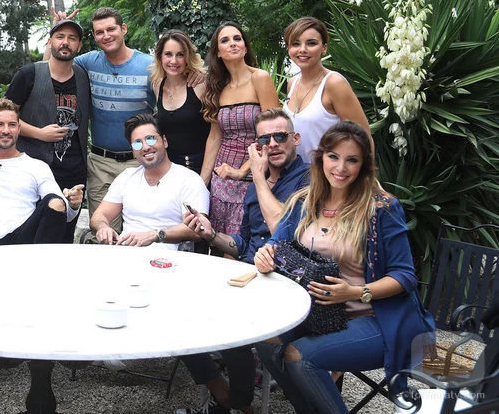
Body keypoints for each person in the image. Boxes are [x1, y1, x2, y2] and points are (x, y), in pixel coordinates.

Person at [253, 121, 434, 414]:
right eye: (334, 156)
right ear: (321, 157)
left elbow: (405, 276)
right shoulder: (305, 201)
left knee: (300, 357)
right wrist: (265, 255)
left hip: (375, 318)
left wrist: (355, 292)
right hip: (317, 314)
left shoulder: (381, 209)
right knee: (266, 340)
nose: (341, 168)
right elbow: (276, 242)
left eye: (352, 160)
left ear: (363, 166)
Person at [176, 109, 310, 414]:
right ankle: (226, 394)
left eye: (280, 136)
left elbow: (282, 229)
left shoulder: (309, 180)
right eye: (264, 139)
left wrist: (258, 177)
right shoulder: (256, 185)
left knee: (228, 323)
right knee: (177, 308)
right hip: (247, 275)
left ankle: (237, 402)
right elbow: (243, 244)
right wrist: (211, 234)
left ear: (296, 138)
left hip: (285, 279)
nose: (272, 144)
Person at [52, 7, 154, 233]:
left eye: (111, 29)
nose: (106, 36)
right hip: (101, 164)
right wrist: (57, 29)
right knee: (104, 233)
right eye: (99, 32)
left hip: (140, 161)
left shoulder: (150, 66)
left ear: (123, 29)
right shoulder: (89, 62)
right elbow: (52, 68)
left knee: (142, 231)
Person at [0, 98, 83, 245]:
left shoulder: (37, 167)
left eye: (11, 125)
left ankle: (41, 259)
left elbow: (60, 209)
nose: (6, 131)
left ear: (18, 128)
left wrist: (73, 204)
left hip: (21, 242)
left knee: (55, 200)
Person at [7, 18, 89, 242]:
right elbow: (4, 118)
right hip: (33, 169)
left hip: (74, 171)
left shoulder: (83, 76)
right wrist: (40, 133)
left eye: (72, 38)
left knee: (65, 238)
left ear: (79, 45)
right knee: (31, 236)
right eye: (60, 37)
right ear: (50, 42)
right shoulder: (28, 75)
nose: (66, 42)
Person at [200, 22, 280, 237]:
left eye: (237, 38)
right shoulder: (217, 87)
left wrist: (243, 171)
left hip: (254, 174)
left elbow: (272, 133)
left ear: (245, 47)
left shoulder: (260, 78)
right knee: (218, 240)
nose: (233, 43)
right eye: (225, 40)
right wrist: (202, 182)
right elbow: (215, 137)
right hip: (222, 177)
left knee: (244, 241)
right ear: (218, 52)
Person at [90, 113, 208, 249]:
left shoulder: (189, 180)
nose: (145, 147)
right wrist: (103, 227)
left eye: (151, 139)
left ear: (164, 141)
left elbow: (198, 230)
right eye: (137, 143)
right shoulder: (127, 177)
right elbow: (99, 216)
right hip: (125, 254)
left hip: (168, 258)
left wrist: (156, 235)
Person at [283, 17, 371, 162]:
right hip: (294, 172)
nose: (302, 49)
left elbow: (363, 136)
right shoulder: (292, 83)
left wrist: (367, 173)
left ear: (324, 48)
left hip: (327, 173)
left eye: (311, 43)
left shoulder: (334, 83)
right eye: (296, 44)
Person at [149, 29, 210, 174]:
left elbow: (215, 134)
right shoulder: (157, 85)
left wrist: (204, 178)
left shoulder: (200, 85)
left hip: (199, 166)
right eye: (168, 54)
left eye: (180, 55)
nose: (174, 61)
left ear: (187, 57)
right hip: (170, 169)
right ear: (159, 56)